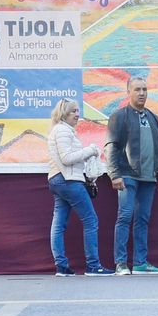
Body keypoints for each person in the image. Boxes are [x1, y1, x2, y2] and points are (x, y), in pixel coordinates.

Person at [106, 76, 158, 274]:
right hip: (127, 177)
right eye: (137, 90)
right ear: (128, 92)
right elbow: (111, 146)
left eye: (144, 89)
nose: (142, 93)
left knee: (143, 219)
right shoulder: (119, 116)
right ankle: (121, 263)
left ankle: (141, 263)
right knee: (124, 217)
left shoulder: (153, 117)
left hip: (149, 179)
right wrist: (115, 174)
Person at [46, 99, 113, 277]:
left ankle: (61, 266)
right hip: (68, 180)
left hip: (58, 180)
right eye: (73, 111)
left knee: (59, 224)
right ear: (63, 114)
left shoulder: (59, 129)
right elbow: (67, 158)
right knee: (90, 220)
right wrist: (90, 150)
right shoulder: (62, 130)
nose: (77, 114)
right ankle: (93, 265)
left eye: (78, 110)